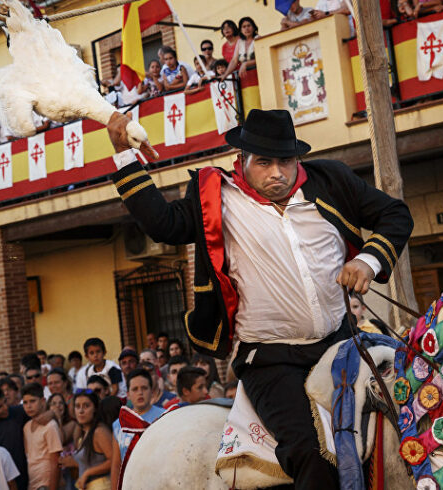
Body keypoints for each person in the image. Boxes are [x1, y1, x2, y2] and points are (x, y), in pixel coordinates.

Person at [105, 108, 412, 487]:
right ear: (242, 160)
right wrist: (124, 158)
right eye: (263, 162)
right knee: (314, 455)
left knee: (410, 418)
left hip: (340, 346)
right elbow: (163, 224)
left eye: (284, 161)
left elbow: (395, 214)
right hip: (271, 360)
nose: (276, 173)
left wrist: (368, 260)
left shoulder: (331, 179)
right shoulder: (215, 196)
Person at [110, 369, 163, 468]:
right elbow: (116, 465)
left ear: (152, 391)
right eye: (135, 389)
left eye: (144, 388)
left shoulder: (164, 416)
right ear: (128, 395)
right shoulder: (119, 424)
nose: (140, 392)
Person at [61, 391, 112, 490]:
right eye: (77, 406)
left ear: (95, 409)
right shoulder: (85, 433)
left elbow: (114, 461)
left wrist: (88, 473)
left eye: (86, 406)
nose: (81, 411)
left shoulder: (99, 431)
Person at [20, 384, 61, 490]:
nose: (29, 406)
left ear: (43, 401)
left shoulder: (50, 426)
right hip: (32, 482)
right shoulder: (26, 426)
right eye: (25, 402)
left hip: (46, 483)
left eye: (33, 401)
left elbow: (55, 462)